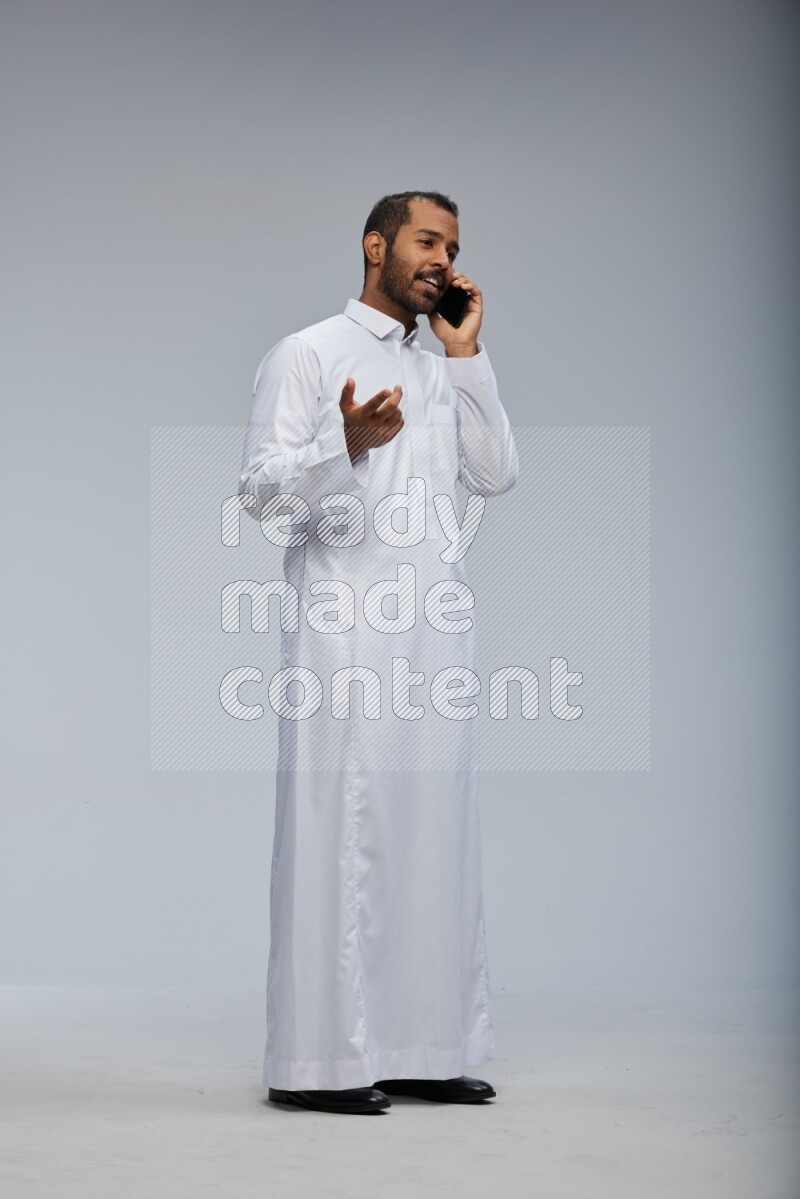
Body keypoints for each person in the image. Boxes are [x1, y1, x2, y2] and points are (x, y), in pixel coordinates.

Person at [238, 191, 518, 1114]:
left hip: (434, 636)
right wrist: (345, 443)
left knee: (434, 835)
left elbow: (494, 474)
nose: (442, 259)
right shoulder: (308, 353)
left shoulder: (441, 367)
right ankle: (317, 1064)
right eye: (426, 240)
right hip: (345, 631)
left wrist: (466, 351)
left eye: (454, 248)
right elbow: (265, 497)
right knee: (338, 838)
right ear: (376, 244)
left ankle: (424, 1047)